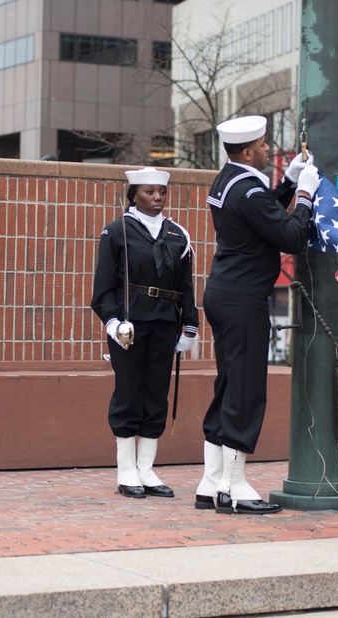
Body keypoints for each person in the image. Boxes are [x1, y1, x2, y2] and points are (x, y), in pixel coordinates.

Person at [198, 115, 319, 515]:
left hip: (224, 291)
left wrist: (286, 183)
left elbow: (261, 213)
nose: (271, 150)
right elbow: (290, 235)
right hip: (243, 297)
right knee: (246, 391)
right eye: (265, 146)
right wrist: (303, 195)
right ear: (248, 152)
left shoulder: (228, 179)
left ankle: (211, 482)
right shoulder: (249, 190)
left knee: (229, 386)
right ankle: (234, 488)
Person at [91, 167, 200, 499]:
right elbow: (104, 287)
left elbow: (186, 287)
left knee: (156, 393)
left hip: (165, 322)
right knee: (128, 392)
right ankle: (126, 470)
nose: (157, 198)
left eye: (161, 192)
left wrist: (190, 326)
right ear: (133, 194)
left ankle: (147, 469)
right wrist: (111, 323)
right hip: (129, 324)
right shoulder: (117, 232)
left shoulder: (178, 234)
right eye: (149, 192)